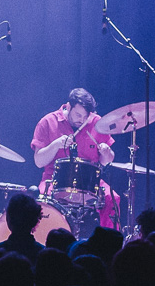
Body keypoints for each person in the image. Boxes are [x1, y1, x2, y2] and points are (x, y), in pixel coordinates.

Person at [31, 88, 117, 229]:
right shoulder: (48, 121)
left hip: (90, 182)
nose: (81, 120)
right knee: (42, 200)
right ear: (68, 106)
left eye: (85, 116)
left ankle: (109, 245)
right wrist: (55, 145)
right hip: (54, 180)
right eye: (78, 115)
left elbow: (106, 160)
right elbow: (38, 162)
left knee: (112, 198)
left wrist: (107, 153)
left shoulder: (97, 122)